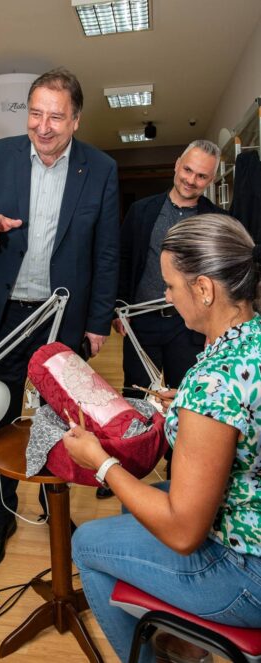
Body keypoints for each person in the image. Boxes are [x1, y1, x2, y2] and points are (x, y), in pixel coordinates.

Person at [63, 214, 261, 663]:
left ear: (204, 289)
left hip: (248, 571)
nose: (167, 296)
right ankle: (183, 636)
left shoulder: (213, 384)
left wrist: (101, 463)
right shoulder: (251, 337)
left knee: (86, 543)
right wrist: (189, 414)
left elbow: (184, 532)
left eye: (170, 286)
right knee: (138, 503)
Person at [0, 68, 119, 571]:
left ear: (76, 120)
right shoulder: (0, 155)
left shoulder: (100, 168)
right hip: (7, 316)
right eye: (35, 114)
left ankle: (55, 508)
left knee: (60, 420)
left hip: (65, 317)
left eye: (56, 116)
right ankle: (1, 514)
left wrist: (97, 321)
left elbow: (107, 252)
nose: (43, 126)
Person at [98, 140, 222, 499]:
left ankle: (178, 473)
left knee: (187, 401)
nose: (191, 180)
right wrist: (118, 307)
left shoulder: (215, 220)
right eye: (188, 170)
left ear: (211, 180)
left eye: (201, 176)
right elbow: (123, 260)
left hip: (190, 327)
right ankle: (124, 470)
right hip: (141, 322)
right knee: (136, 398)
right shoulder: (142, 211)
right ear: (177, 164)